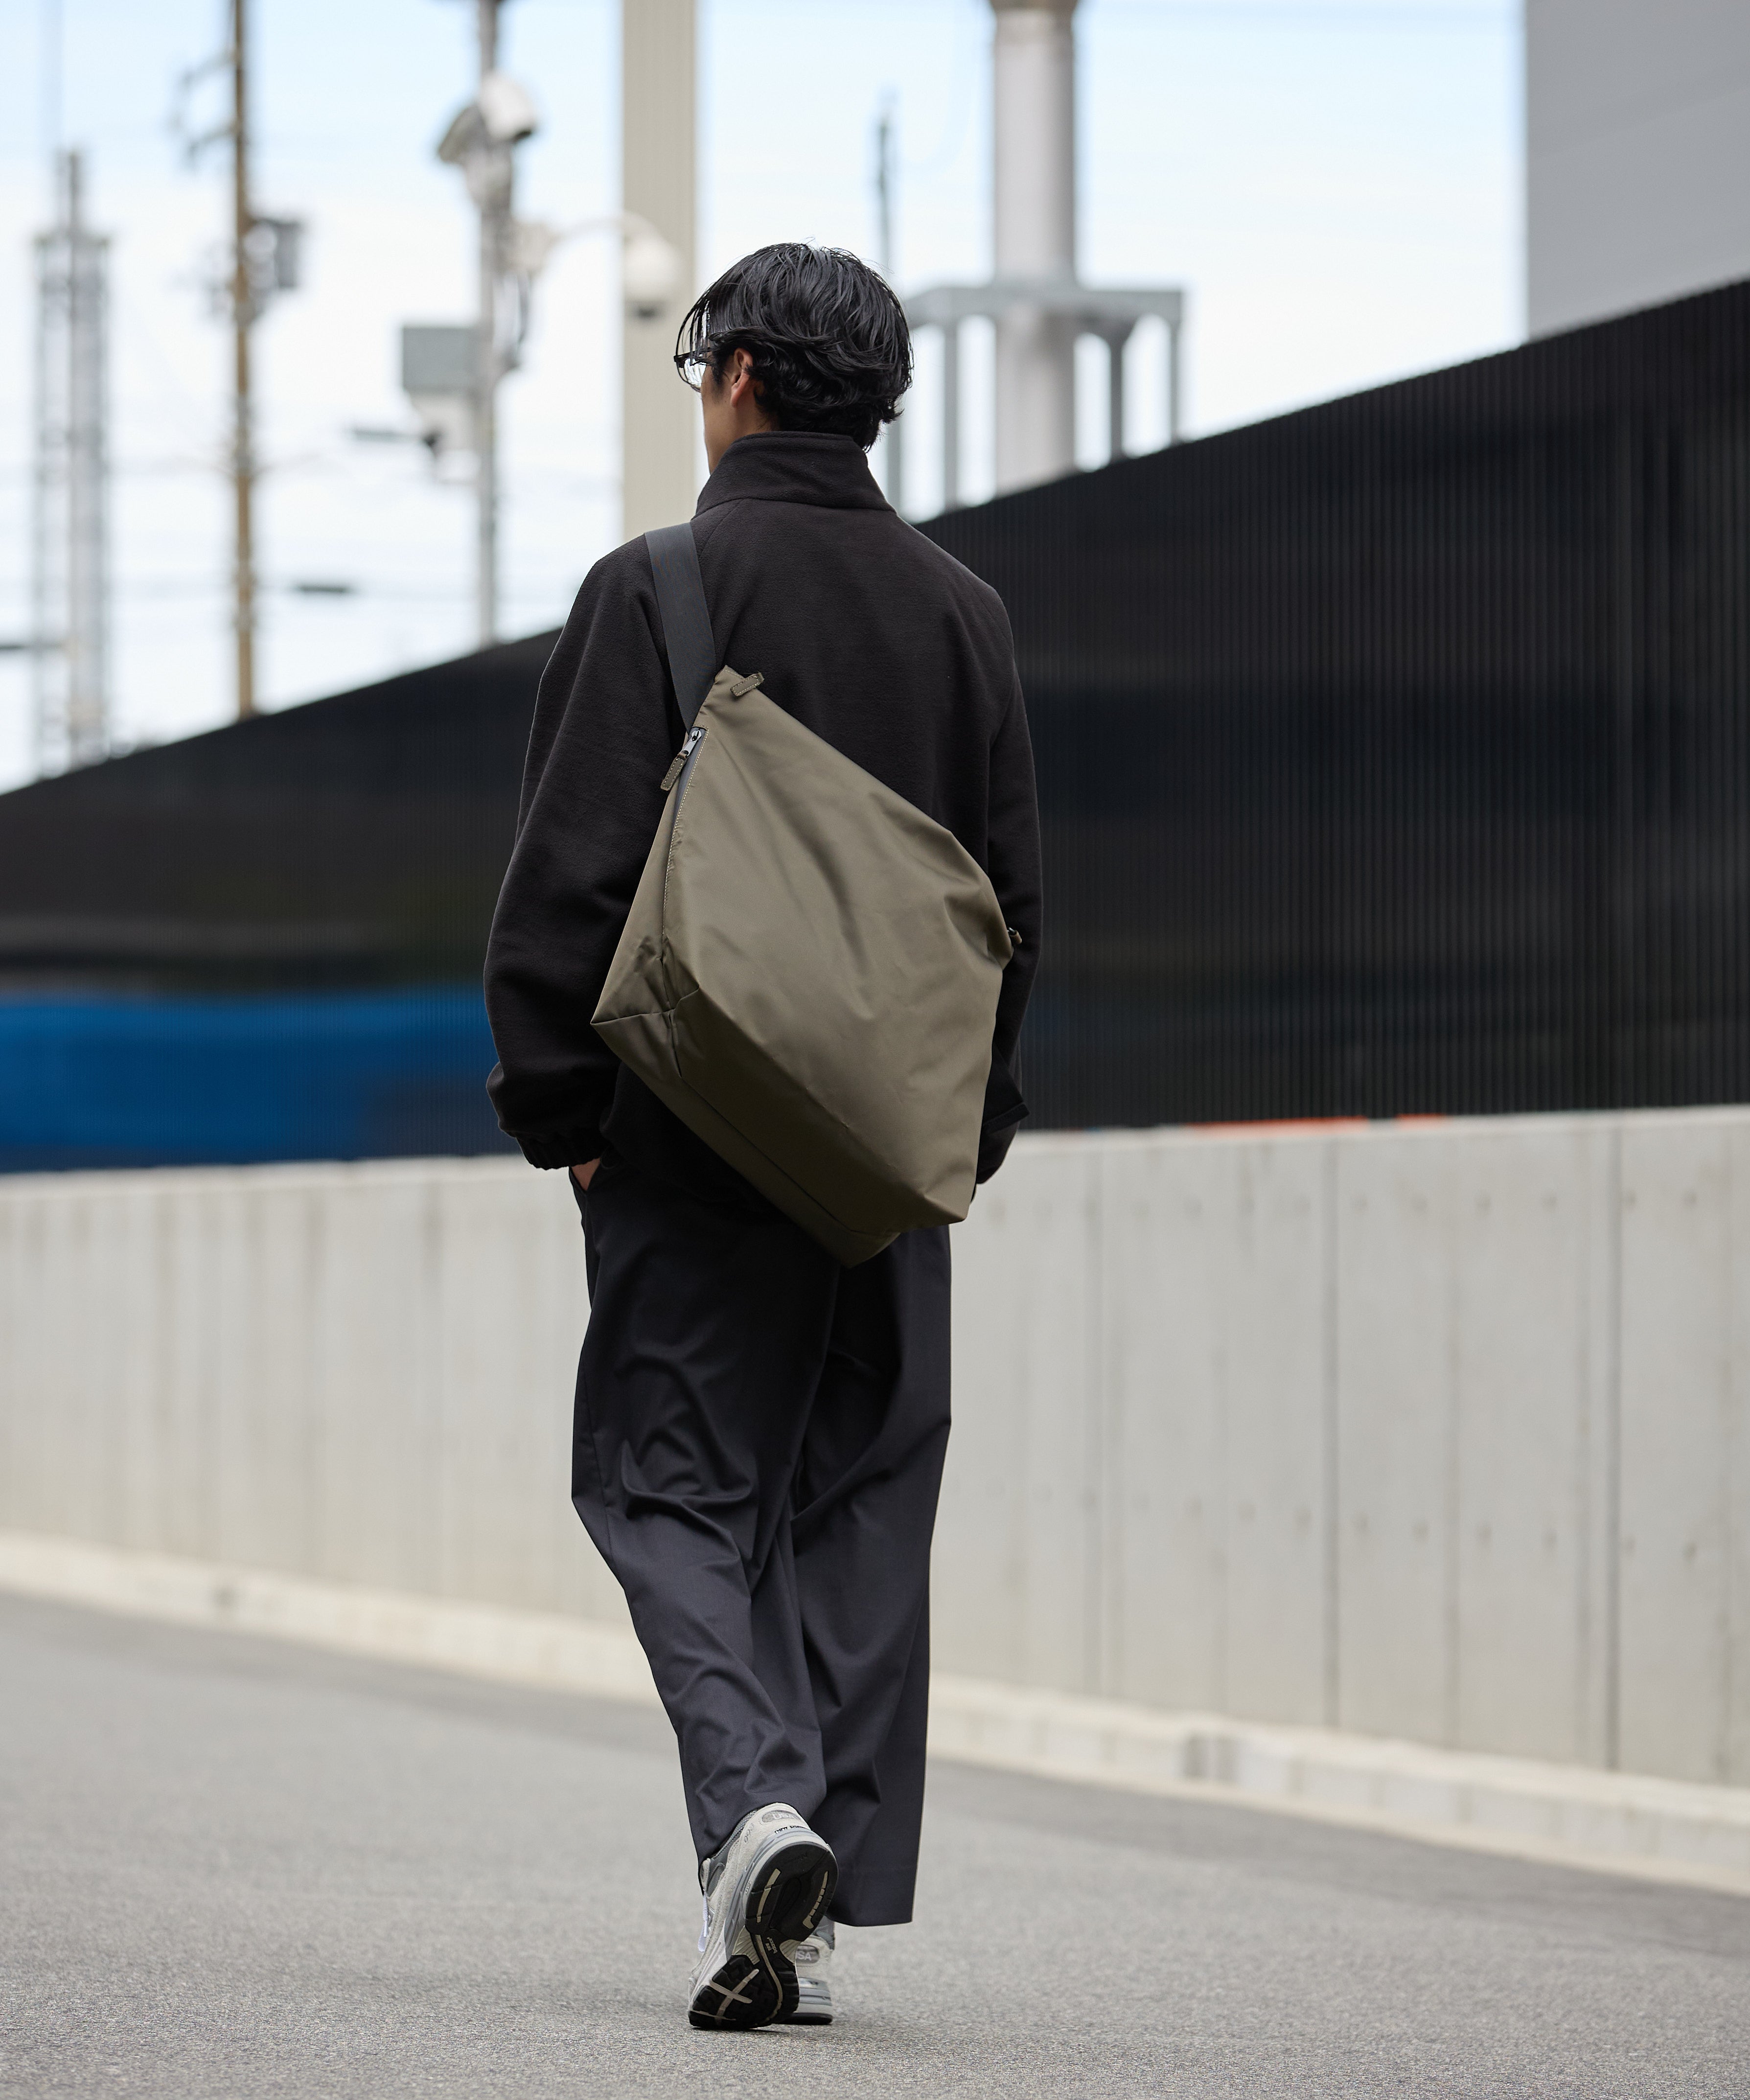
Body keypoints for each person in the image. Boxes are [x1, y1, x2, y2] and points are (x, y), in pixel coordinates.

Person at [483, 242, 1042, 2030]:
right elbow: (1006, 906)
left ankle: (754, 1811)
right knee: (854, 1507)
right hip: (888, 1150)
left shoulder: (657, 585)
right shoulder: (967, 612)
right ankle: (794, 1907)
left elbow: (566, 881)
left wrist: (566, 1116)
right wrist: (966, 1126)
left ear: (731, 380)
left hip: (691, 1123)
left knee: (666, 1488)